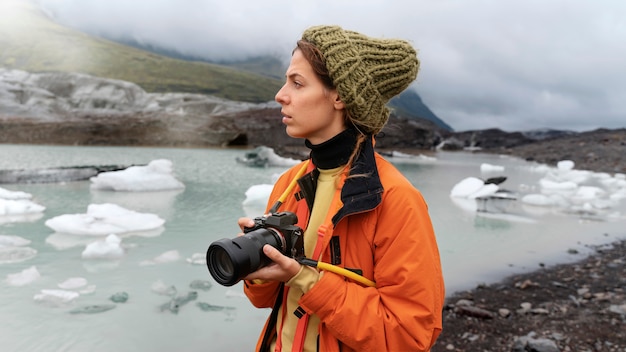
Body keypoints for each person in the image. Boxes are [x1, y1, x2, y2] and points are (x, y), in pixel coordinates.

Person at [240, 25, 444, 352]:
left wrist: (306, 279)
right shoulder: (289, 183)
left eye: (297, 83)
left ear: (339, 96)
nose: (281, 94)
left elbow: (410, 336)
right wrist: (258, 267)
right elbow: (265, 300)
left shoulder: (394, 200)